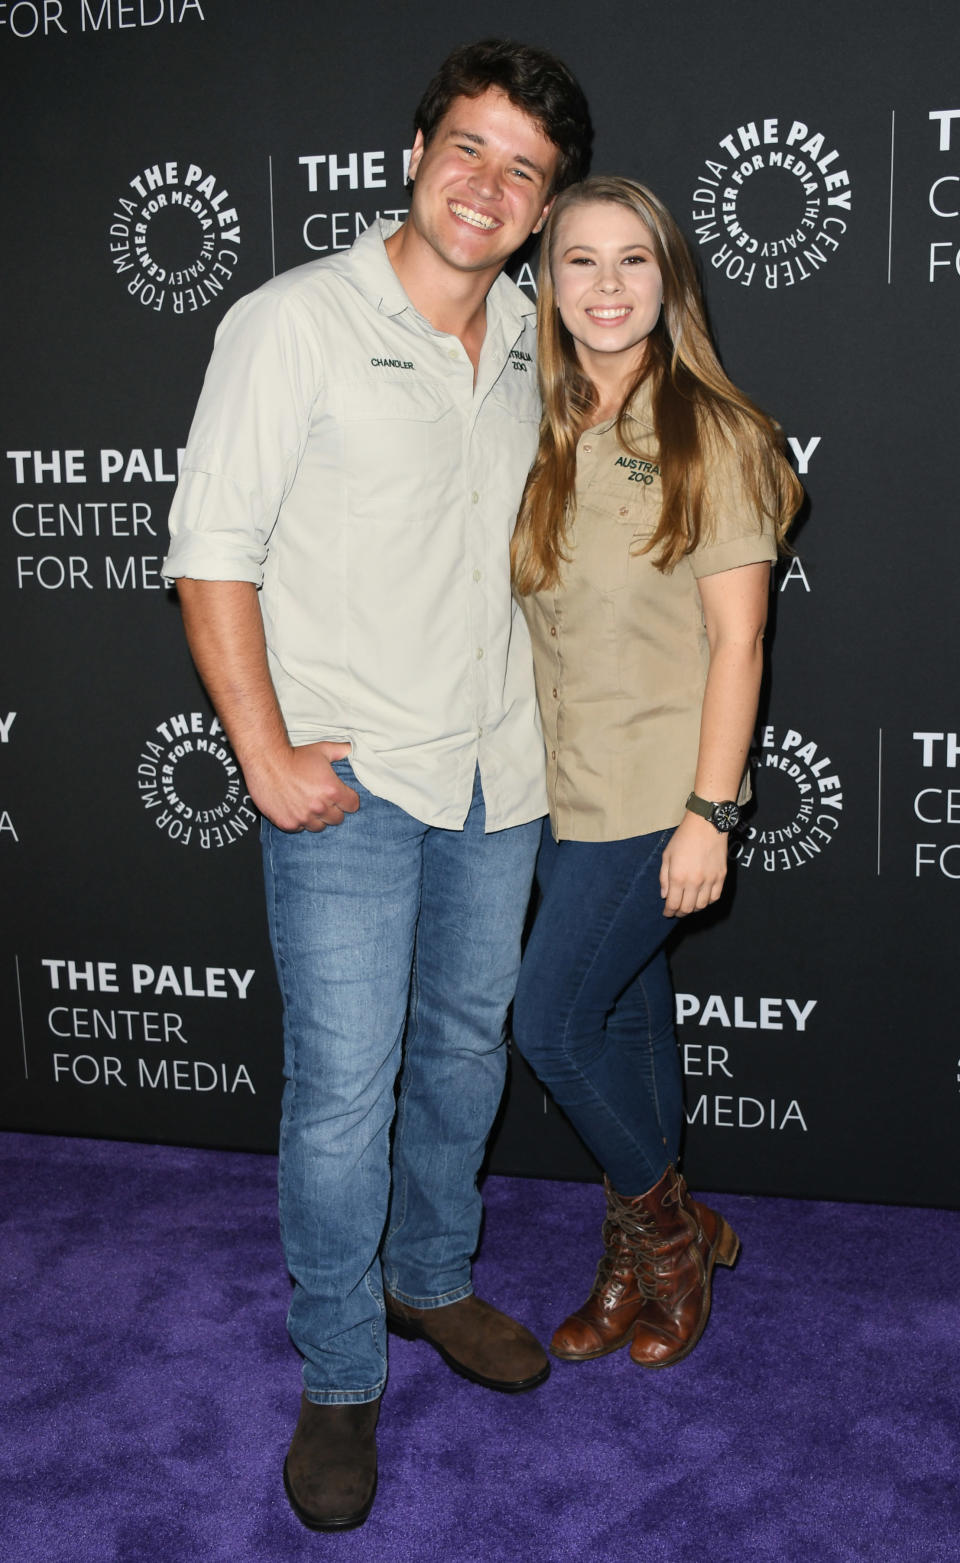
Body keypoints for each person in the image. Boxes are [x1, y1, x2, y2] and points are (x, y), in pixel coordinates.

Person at [162, 39, 592, 1532]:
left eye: (523, 169)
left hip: (504, 771)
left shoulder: (550, 336)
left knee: (466, 1054)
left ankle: (431, 1278)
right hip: (352, 776)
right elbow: (211, 553)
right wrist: (264, 754)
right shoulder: (290, 323)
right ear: (413, 154)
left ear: (543, 209)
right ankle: (340, 1372)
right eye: (468, 148)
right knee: (343, 1093)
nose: (489, 185)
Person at [511, 176, 802, 1372]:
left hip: (657, 795)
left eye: (635, 261)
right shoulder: (537, 426)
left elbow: (740, 641)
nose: (609, 285)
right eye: (581, 261)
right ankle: (640, 1254)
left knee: (550, 1022)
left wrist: (709, 813)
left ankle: (669, 1239)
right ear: (549, 282)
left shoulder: (710, 434)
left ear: (668, 281)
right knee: (628, 1018)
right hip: (557, 791)